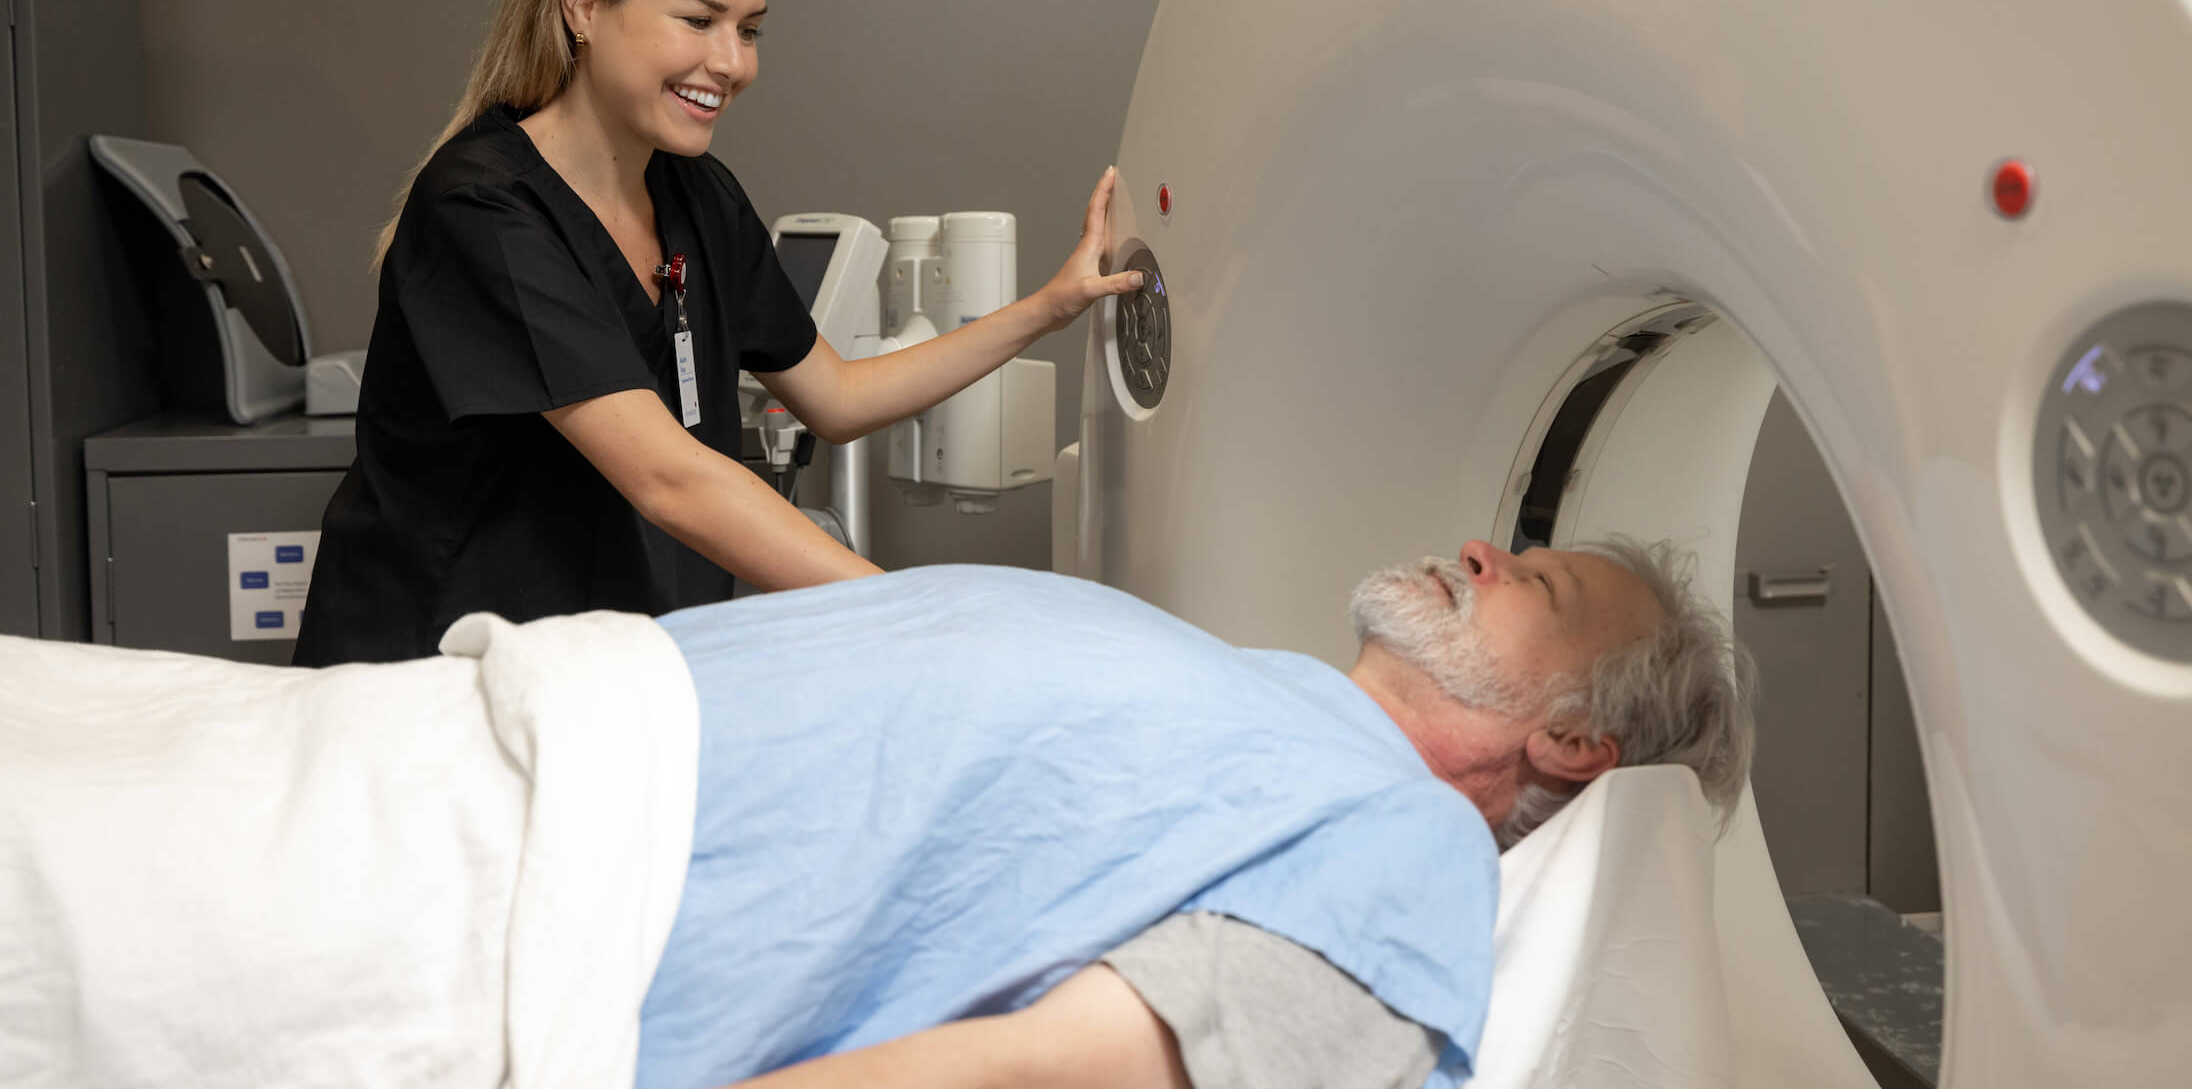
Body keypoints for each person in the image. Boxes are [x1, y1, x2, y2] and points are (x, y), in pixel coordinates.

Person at [0, 538, 1754, 1088]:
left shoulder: (1416, 861)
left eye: (1531, 581)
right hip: (494, 737)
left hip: (517, 900)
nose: (1478, 547)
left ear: (1573, 740)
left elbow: (1055, 1070)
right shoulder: (1275, 703)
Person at [294, 0, 1141, 664]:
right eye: (698, 20)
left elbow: (839, 397)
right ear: (583, 5)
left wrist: (1049, 307)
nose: (733, 63)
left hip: (603, 667)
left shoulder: (696, 195)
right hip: (438, 673)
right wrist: (915, 616)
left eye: (749, 29)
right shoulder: (483, 208)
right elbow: (669, 478)